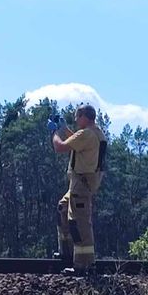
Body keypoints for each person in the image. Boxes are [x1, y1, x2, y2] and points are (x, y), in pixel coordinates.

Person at [50, 105, 107, 275]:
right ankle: (67, 253)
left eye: (77, 116)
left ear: (84, 117)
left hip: (82, 184)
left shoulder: (87, 134)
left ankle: (84, 265)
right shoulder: (94, 133)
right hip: (80, 184)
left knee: (79, 223)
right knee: (63, 208)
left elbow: (60, 147)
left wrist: (55, 133)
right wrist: (64, 129)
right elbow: (76, 141)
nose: (75, 120)